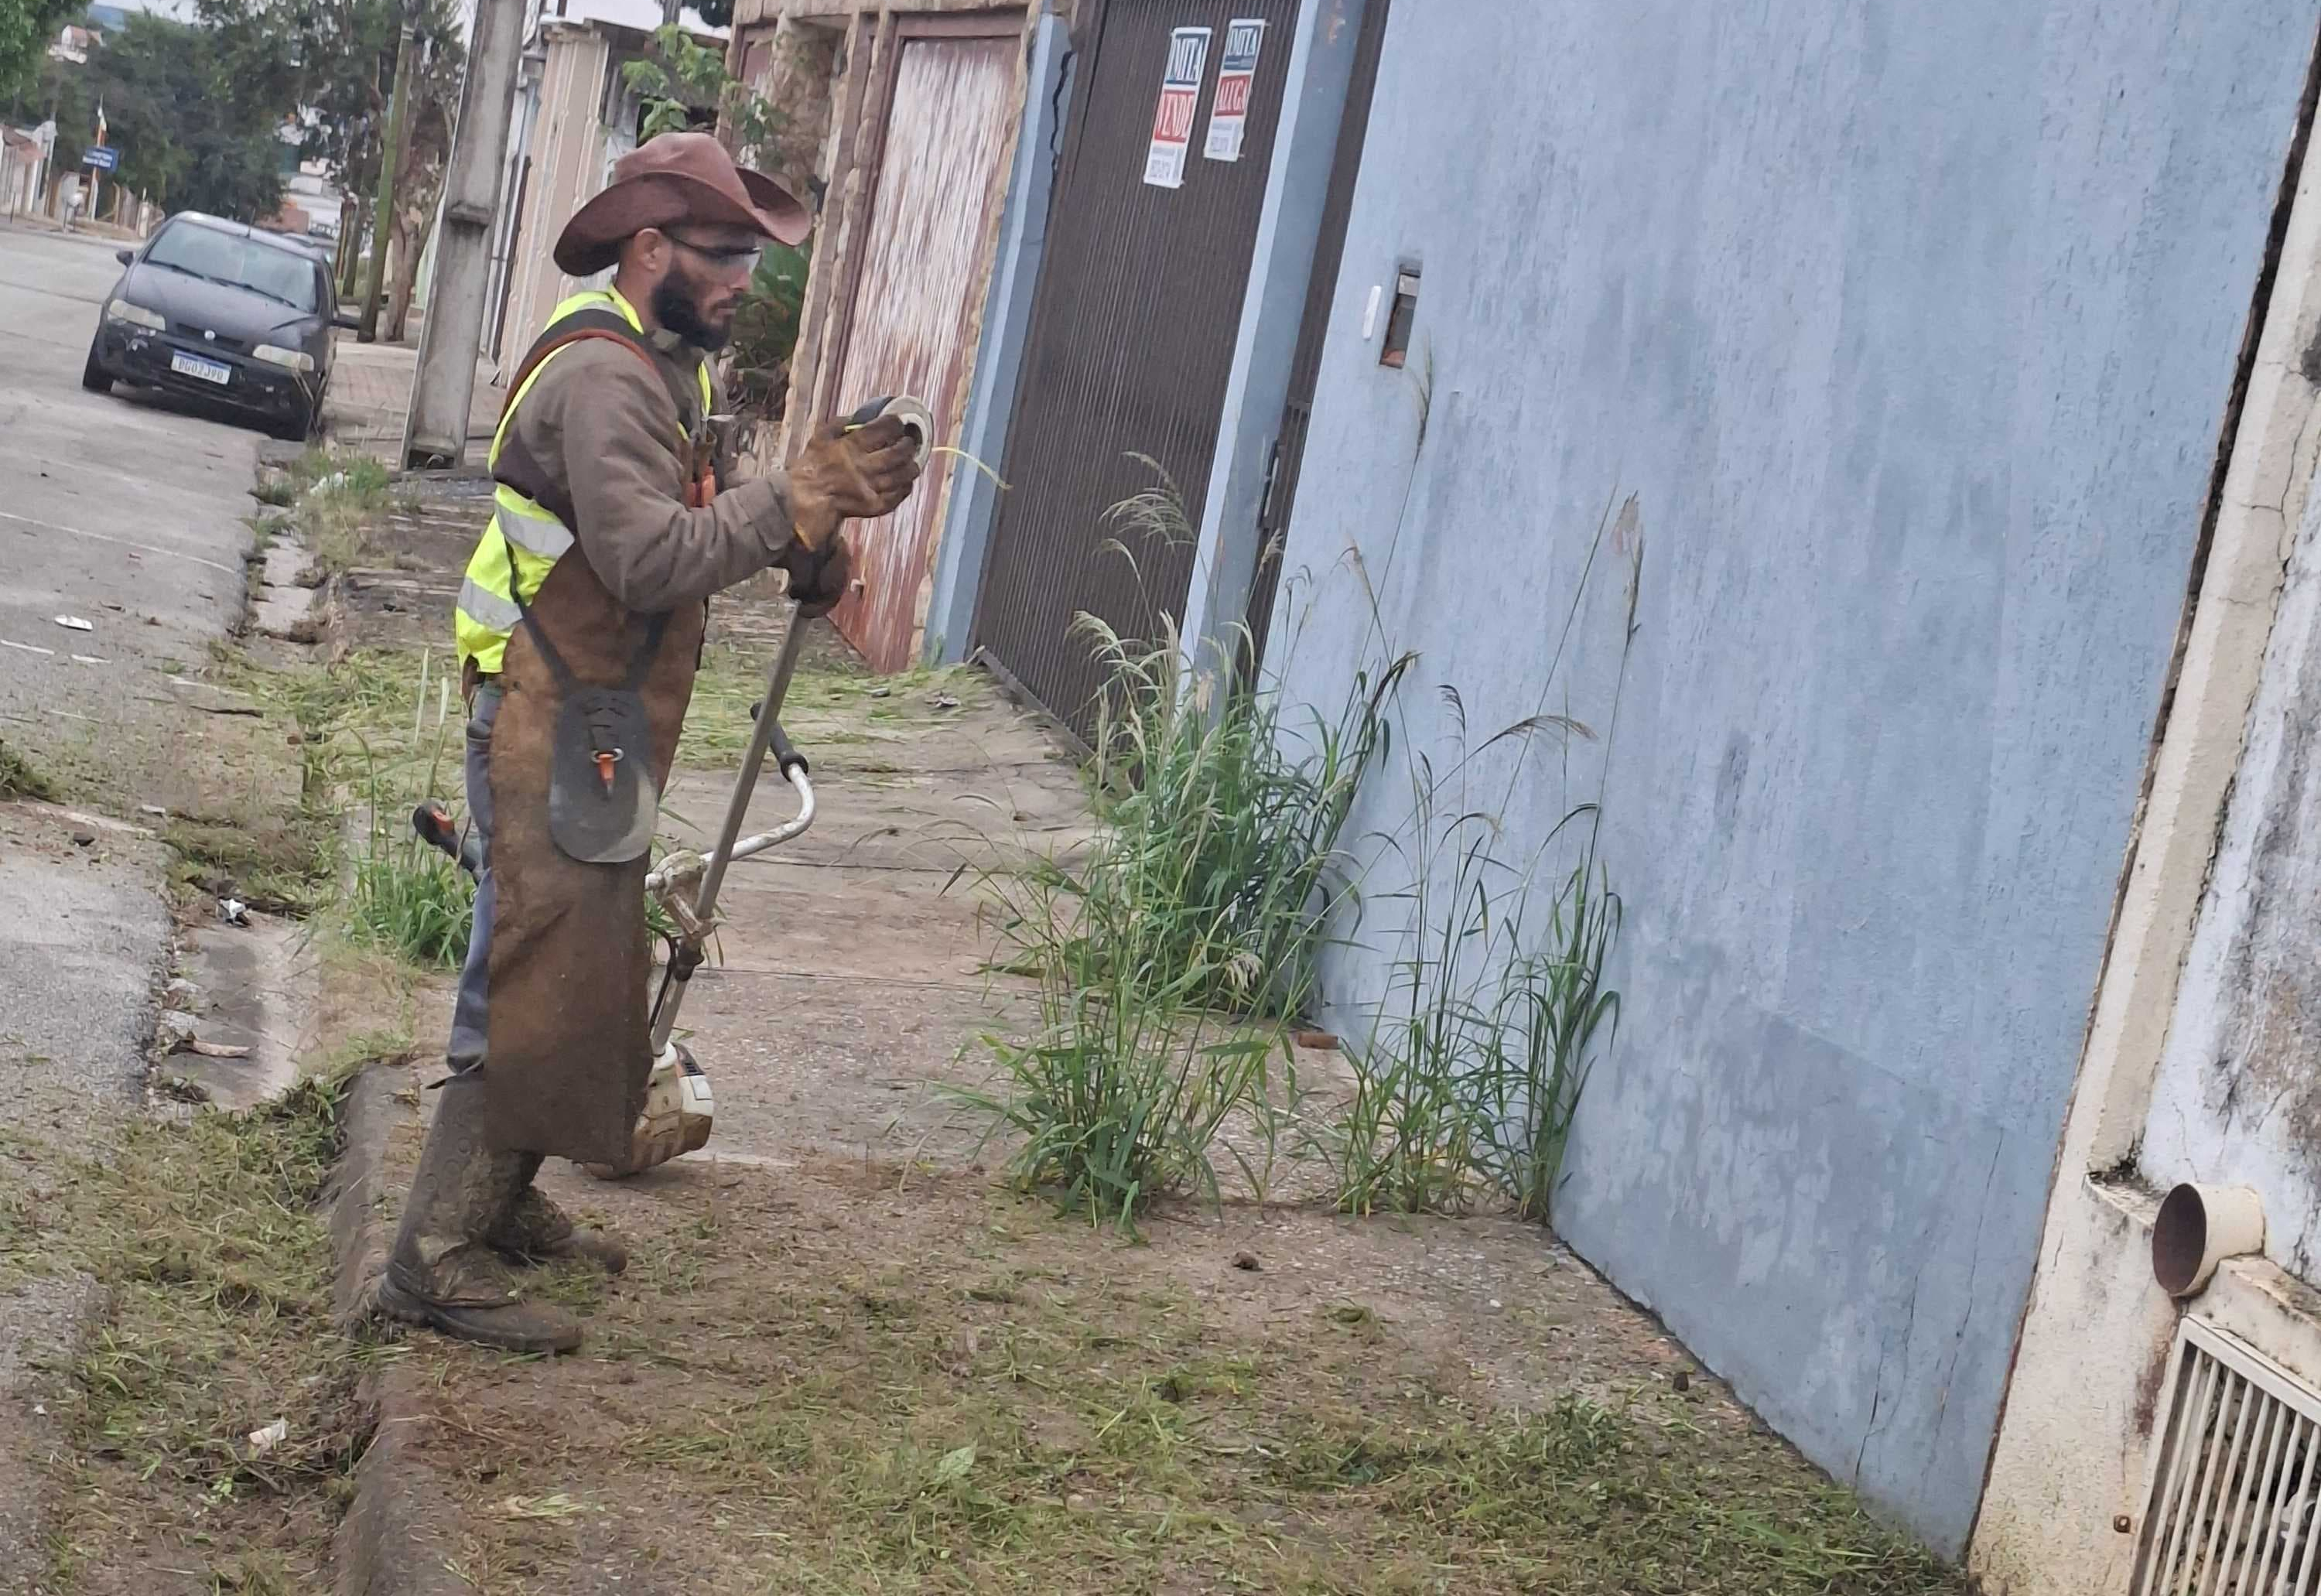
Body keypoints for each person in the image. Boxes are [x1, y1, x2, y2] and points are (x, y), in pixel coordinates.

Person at [378, 132, 921, 1354]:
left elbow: (682, 522)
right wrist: (789, 498)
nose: (745, 278)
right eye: (725, 254)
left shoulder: (663, 369)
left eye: (750, 258)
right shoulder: (607, 381)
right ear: (649, 247)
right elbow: (639, 560)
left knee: (579, 959)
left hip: (589, 704)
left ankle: (500, 1207)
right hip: (543, 703)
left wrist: (801, 536)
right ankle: (431, 1258)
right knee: (524, 967)